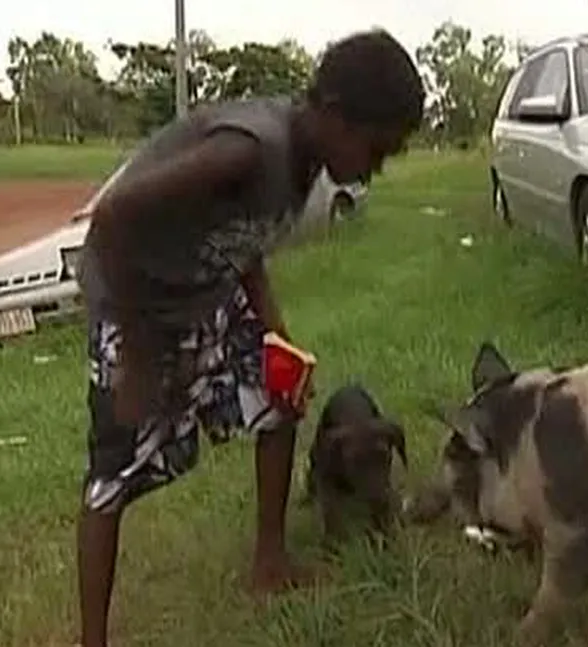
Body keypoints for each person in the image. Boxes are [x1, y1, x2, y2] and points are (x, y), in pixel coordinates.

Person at [73, 29, 425, 647]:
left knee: (281, 396)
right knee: (112, 479)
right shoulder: (249, 150)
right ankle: (92, 639)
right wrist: (132, 345)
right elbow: (114, 216)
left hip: (206, 290)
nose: (378, 166)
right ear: (338, 116)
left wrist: (274, 331)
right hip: (137, 302)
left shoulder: (302, 162)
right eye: (377, 148)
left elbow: (245, 238)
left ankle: (270, 564)